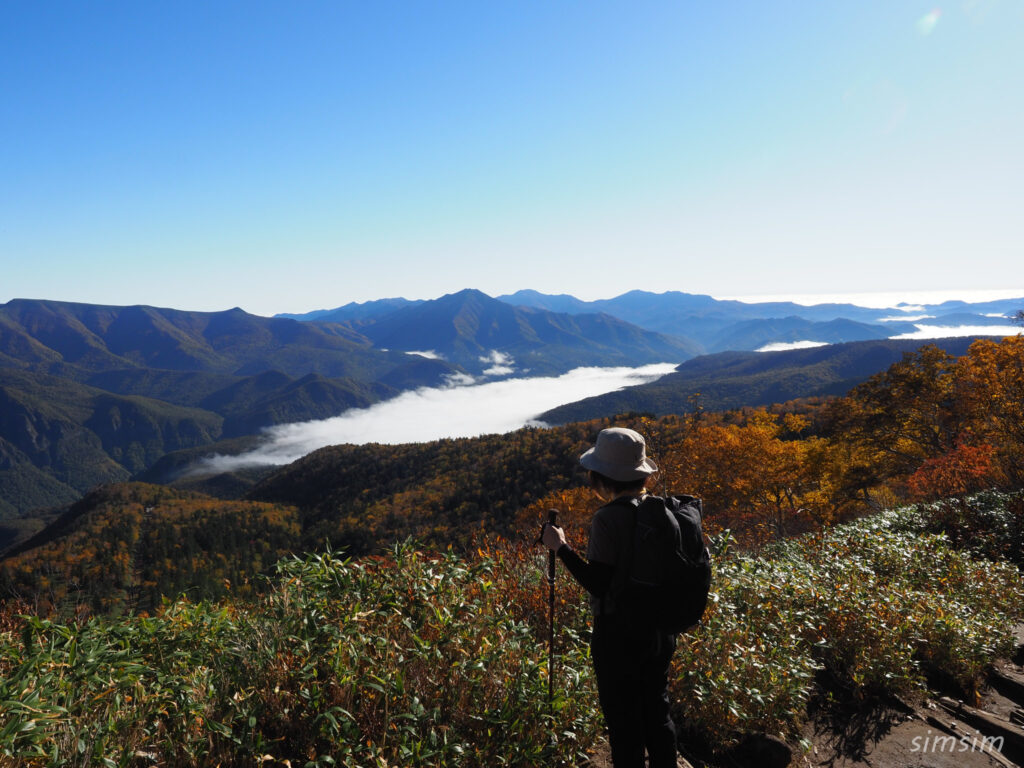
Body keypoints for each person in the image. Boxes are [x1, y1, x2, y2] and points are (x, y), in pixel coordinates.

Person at [542, 426, 679, 768]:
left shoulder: (607, 519)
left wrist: (560, 548)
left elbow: (598, 583)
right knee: (657, 712)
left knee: (624, 722)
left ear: (602, 477)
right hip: (660, 631)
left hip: (618, 636)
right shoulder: (662, 512)